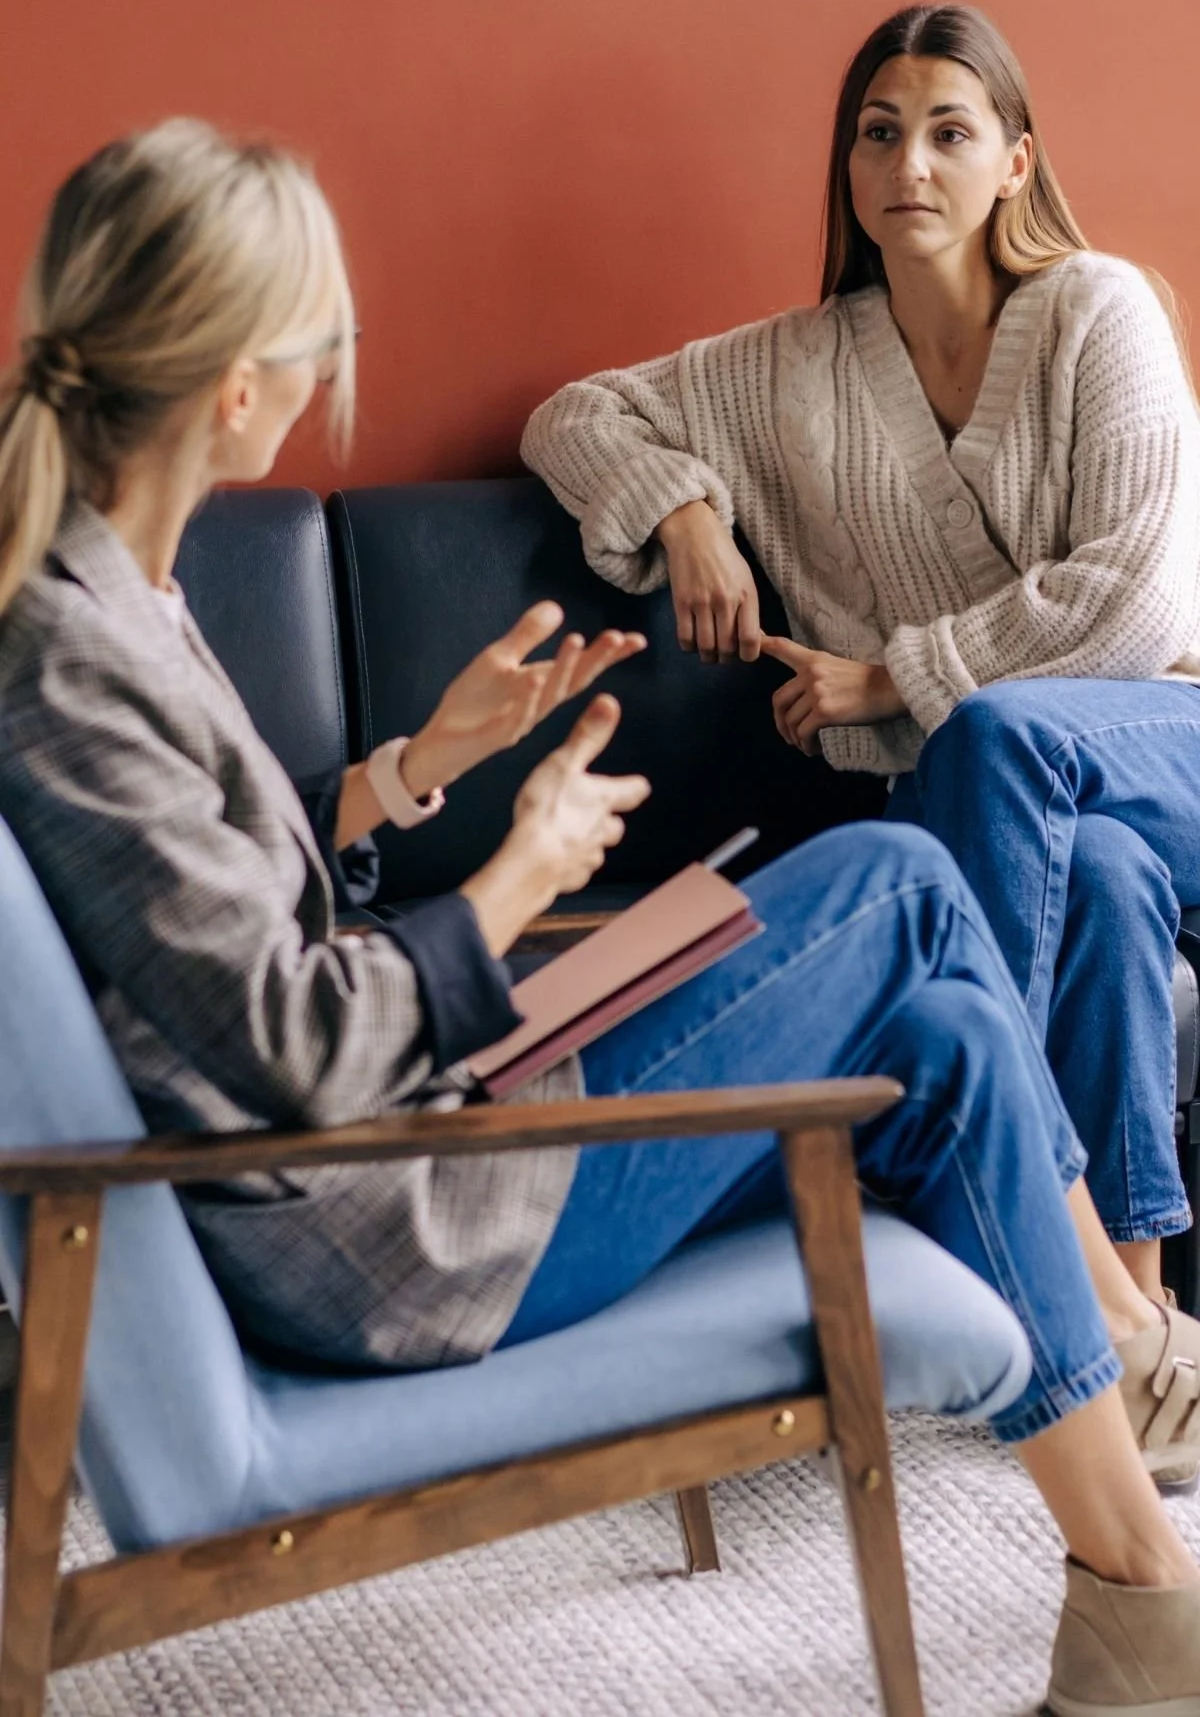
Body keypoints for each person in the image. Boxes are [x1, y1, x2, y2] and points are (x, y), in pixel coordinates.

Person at [1, 123, 1199, 1717]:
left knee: (946, 1019)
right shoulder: (62, 649)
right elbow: (285, 1043)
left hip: (407, 1146)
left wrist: (424, 766)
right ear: (236, 386)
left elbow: (211, 892)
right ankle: (1126, 1380)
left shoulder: (107, 598)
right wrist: (516, 878)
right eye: (323, 344)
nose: (329, 372)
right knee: (902, 889)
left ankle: (1139, 1603)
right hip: (387, 1225)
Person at [521, 0, 1200, 1359]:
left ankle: (995, 1195)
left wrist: (889, 677)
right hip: (1022, 802)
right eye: (878, 135)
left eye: (951, 133)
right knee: (1106, 887)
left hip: (1161, 735)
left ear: (1015, 159)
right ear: (847, 167)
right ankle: (1135, 1317)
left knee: (999, 737)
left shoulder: (1098, 310)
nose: (910, 168)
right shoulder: (799, 369)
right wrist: (686, 514)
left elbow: (1137, 601)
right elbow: (574, 413)